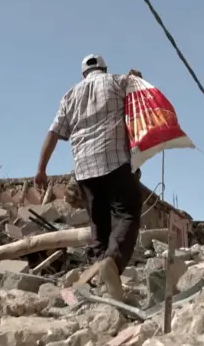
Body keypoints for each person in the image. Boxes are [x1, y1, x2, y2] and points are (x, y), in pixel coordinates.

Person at [34, 54, 142, 300]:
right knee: (127, 212)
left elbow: (52, 133)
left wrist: (41, 169)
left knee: (99, 224)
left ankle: (97, 277)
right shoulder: (117, 81)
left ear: (83, 74)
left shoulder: (69, 96)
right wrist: (136, 77)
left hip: (84, 169)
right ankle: (111, 265)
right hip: (115, 161)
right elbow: (139, 92)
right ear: (104, 68)